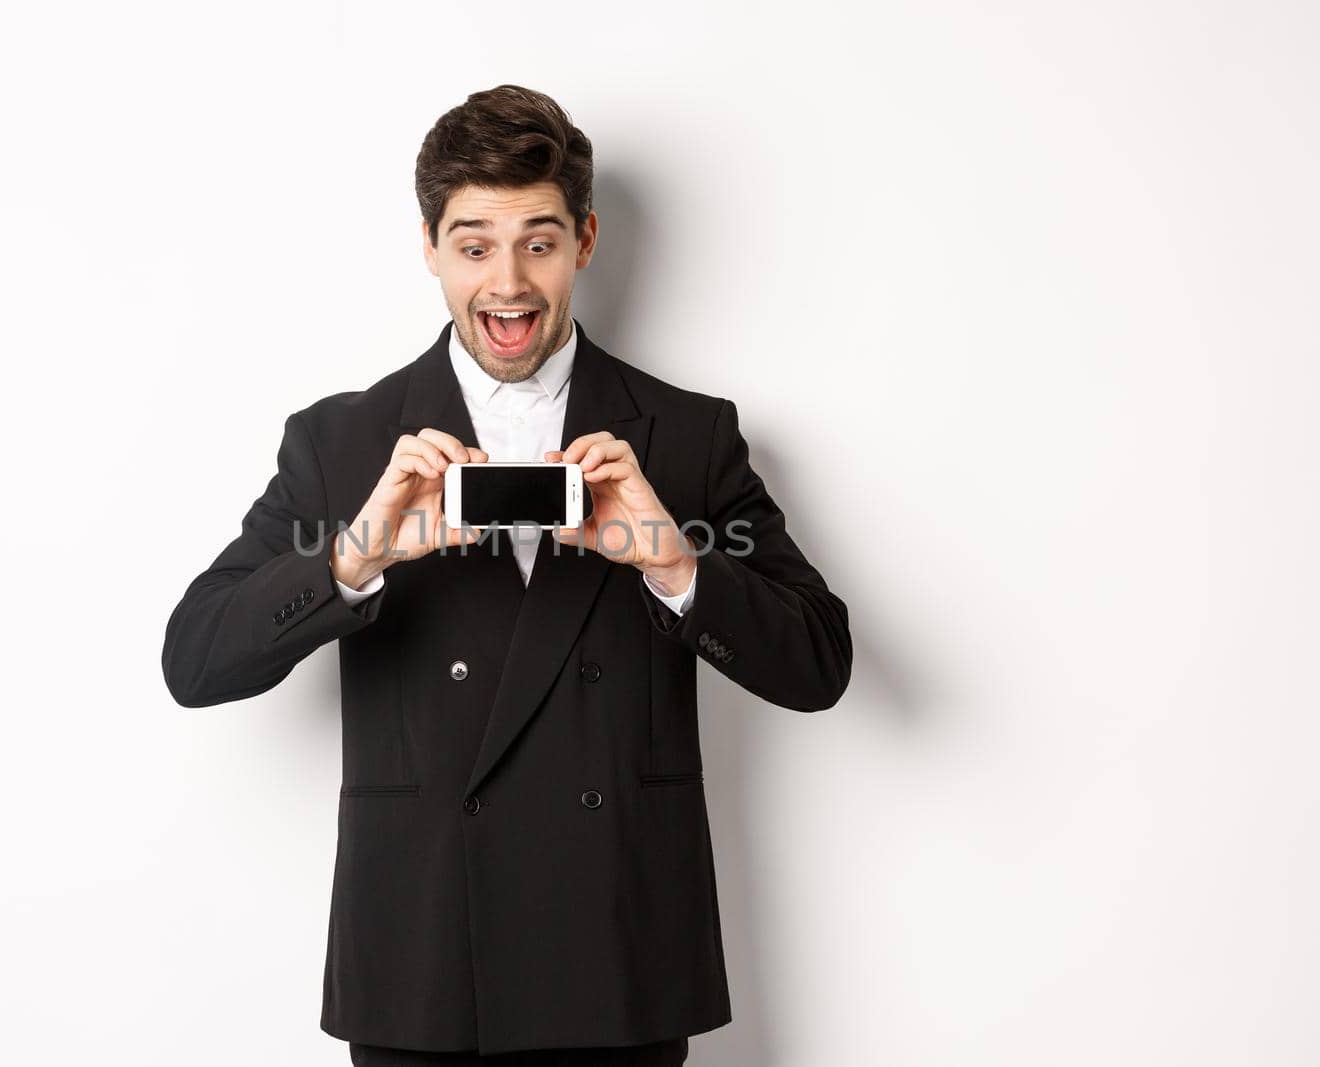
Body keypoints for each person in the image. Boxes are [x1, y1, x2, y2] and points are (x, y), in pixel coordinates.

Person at [161, 84, 853, 1065]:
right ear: (431, 247)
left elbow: (818, 665)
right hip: (423, 960)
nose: (509, 281)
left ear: (584, 239)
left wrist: (673, 561)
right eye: (474, 243)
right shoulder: (340, 440)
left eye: (538, 239)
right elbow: (194, 659)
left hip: (619, 958)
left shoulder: (689, 437)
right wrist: (351, 558)